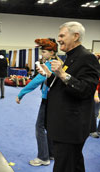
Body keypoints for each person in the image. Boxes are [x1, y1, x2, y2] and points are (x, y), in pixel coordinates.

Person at [37, 21, 100, 172]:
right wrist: (50, 75)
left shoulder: (86, 57)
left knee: (64, 167)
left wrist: (63, 74)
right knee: (74, 164)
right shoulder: (71, 57)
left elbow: (87, 90)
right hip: (64, 125)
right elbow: (62, 84)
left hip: (71, 128)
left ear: (76, 36)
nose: (58, 39)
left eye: (62, 35)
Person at [16, 38, 60, 166]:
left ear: (52, 52)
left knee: (39, 127)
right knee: (48, 127)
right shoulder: (58, 62)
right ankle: (51, 154)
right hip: (54, 100)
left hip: (48, 100)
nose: (42, 54)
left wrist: (21, 93)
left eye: (45, 52)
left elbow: (36, 81)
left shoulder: (49, 64)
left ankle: (43, 157)